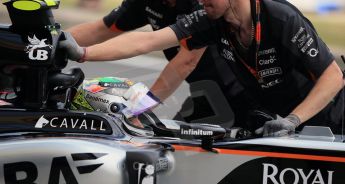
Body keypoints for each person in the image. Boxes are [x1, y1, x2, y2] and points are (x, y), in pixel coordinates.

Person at [60, 0, 345, 136]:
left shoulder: (280, 17)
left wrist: (294, 120)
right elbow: (149, 40)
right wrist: (81, 52)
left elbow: (333, 76)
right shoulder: (210, 18)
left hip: (330, 119)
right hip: (276, 120)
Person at [65, 0, 247, 127]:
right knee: (169, 150)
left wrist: (140, 108)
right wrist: (54, 41)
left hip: (243, 96)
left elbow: (186, 62)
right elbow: (102, 30)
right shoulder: (148, 2)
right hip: (206, 95)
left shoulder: (204, 5)